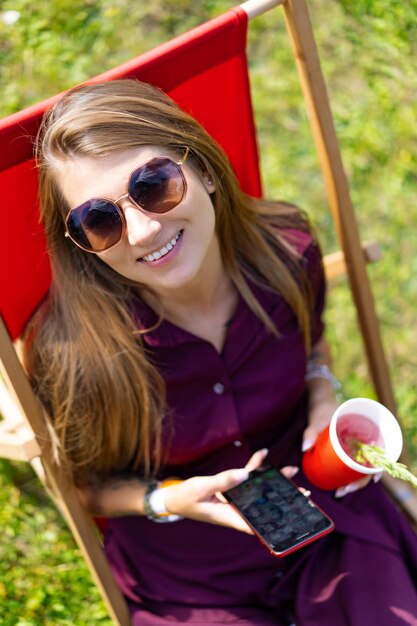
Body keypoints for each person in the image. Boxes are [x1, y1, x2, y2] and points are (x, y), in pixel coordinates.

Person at [24, 79, 417, 626]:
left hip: (326, 512)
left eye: (154, 184)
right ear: (83, 244)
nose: (141, 230)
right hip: (193, 576)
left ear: (205, 169)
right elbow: (85, 487)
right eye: (99, 220)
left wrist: (322, 392)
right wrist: (167, 501)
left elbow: (313, 339)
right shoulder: (78, 355)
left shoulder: (286, 254)